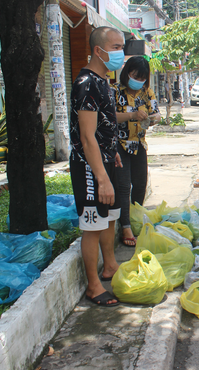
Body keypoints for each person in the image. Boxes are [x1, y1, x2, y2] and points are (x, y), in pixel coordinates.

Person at [69, 26, 125, 307]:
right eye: (115, 47)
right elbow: (86, 136)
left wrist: (112, 152)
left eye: (121, 47)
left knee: (109, 216)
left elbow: (104, 125)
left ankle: (110, 266)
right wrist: (101, 178)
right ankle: (93, 286)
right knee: (92, 224)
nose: (120, 53)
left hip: (105, 160)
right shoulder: (86, 83)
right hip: (89, 167)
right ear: (98, 50)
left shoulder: (103, 81)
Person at [114, 56, 161, 247]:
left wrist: (154, 117)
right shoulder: (116, 92)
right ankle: (125, 226)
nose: (138, 80)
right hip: (120, 145)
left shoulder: (146, 93)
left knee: (140, 184)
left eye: (142, 77)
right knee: (123, 187)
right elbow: (109, 116)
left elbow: (156, 112)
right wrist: (132, 115)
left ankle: (136, 220)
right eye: (135, 76)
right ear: (127, 73)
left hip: (139, 144)